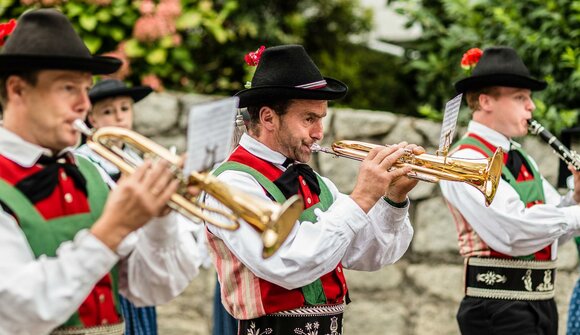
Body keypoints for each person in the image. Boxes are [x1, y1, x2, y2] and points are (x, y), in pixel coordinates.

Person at [0, 9, 201, 335]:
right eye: (68, 88)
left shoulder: (93, 173)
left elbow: (150, 289)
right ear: (18, 90)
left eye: (86, 88)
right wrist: (110, 231)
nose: (83, 104)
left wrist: (161, 218)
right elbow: (19, 308)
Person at [204, 44, 421, 334]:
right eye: (309, 119)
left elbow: (368, 254)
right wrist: (361, 198)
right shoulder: (231, 182)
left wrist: (394, 198)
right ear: (268, 118)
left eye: (321, 119)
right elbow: (287, 264)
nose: (319, 132)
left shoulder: (316, 182)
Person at [439, 46, 580, 335]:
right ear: (486, 101)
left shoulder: (520, 156)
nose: (532, 107)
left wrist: (575, 197)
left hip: (540, 303)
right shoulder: (466, 159)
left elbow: (553, 230)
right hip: (497, 308)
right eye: (520, 98)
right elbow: (514, 231)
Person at [75, 79, 157, 335]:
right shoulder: (82, 162)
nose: (119, 117)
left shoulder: (136, 157)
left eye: (124, 109)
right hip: (112, 272)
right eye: (108, 111)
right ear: (92, 118)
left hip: (140, 268)